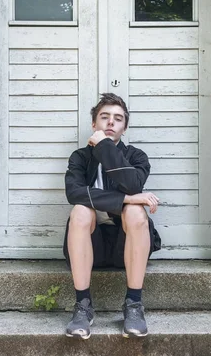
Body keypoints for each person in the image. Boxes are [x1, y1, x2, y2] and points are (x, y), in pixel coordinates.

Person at [63, 93, 161, 340]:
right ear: (94, 124)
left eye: (118, 119)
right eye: (104, 117)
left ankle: (134, 304)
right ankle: (83, 306)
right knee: (80, 210)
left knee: (137, 212)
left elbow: (132, 182)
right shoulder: (80, 157)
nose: (110, 123)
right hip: (90, 248)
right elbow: (75, 193)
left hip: (125, 248)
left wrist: (105, 147)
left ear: (124, 128)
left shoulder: (136, 157)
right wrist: (128, 198)